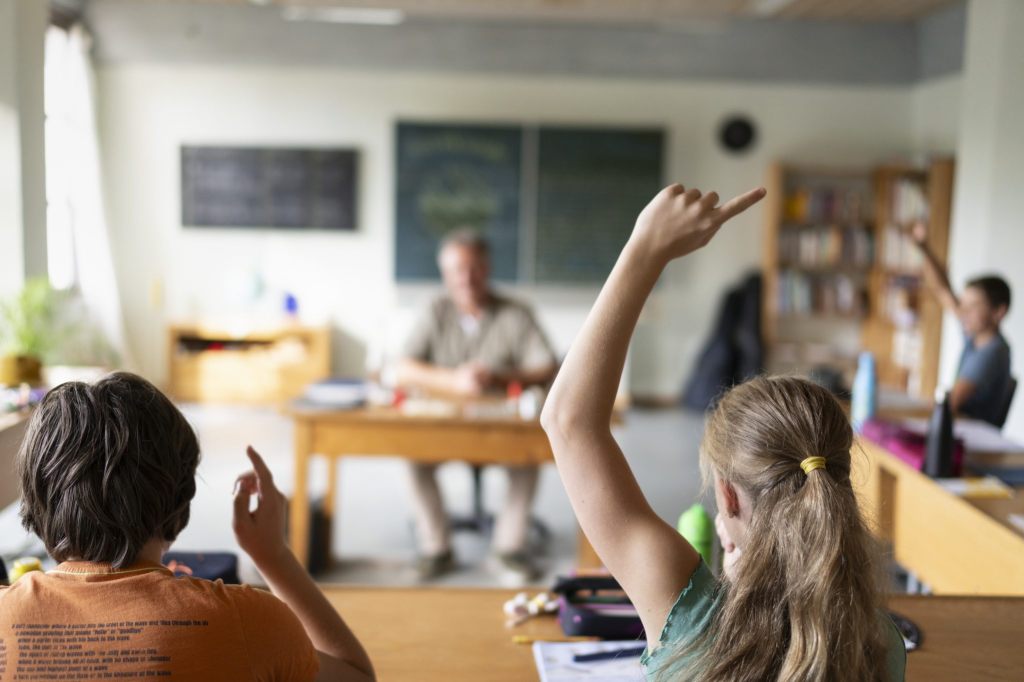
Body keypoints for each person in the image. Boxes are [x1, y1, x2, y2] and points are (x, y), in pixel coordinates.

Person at [541, 184, 906, 680]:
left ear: (727, 498)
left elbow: (569, 421)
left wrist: (646, 247)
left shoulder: (689, 618)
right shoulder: (880, 644)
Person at [1, 372, 374, 681]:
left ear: (36, 495)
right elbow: (357, 676)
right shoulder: (250, 623)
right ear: (180, 497)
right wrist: (273, 555)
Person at [396, 230, 559, 580]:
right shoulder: (434, 310)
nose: (465, 278)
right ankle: (435, 547)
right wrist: (454, 381)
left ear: (487, 268)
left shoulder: (516, 312)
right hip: (443, 428)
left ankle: (508, 549)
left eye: (473, 268)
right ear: (445, 273)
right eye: (457, 269)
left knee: (528, 461)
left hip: (502, 428)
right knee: (413, 458)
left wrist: (497, 378)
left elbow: (548, 366)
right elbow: (404, 367)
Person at [909, 223, 1013, 426]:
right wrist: (924, 248)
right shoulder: (974, 333)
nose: (963, 312)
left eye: (973, 306)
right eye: (963, 304)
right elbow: (943, 290)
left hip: (971, 442)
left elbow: (950, 403)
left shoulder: (992, 351)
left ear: (998, 312)